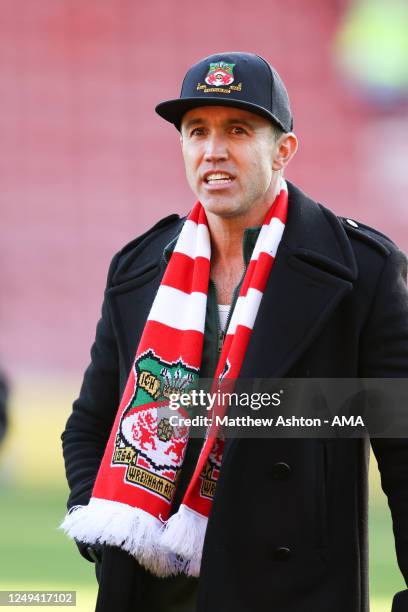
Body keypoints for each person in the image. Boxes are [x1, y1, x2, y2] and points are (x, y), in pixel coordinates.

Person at [61, 52, 408, 612]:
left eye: (238, 130)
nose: (213, 150)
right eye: (196, 131)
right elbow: (88, 425)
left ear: (284, 150)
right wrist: (110, 535)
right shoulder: (138, 269)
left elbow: (403, 451)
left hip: (292, 593)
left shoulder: (361, 272)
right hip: (150, 593)